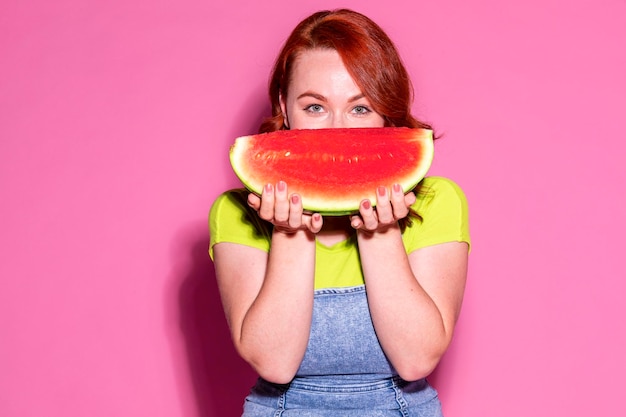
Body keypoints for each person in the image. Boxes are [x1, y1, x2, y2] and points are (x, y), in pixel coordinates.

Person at [209, 8, 470, 416]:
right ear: (285, 105)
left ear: (387, 111)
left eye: (360, 108)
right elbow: (274, 363)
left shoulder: (438, 200)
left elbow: (416, 358)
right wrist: (290, 232)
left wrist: (380, 229)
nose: (337, 129)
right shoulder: (235, 212)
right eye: (315, 107)